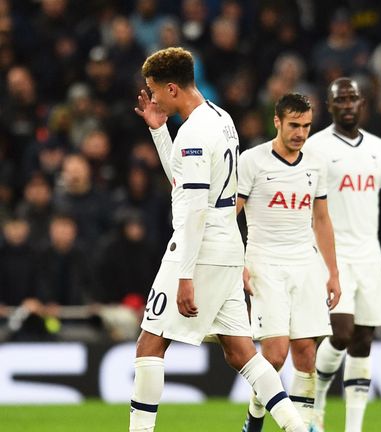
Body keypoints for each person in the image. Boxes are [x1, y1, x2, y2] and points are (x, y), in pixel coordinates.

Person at [130, 47, 305, 432]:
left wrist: (186, 275)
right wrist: (159, 131)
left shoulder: (193, 133)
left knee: (150, 345)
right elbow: (184, 178)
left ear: (172, 87)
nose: (153, 98)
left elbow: (192, 207)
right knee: (241, 353)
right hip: (227, 246)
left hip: (200, 247)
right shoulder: (220, 118)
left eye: (155, 90)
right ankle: (297, 426)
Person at [302, 77, 381, 432]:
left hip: (368, 253)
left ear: (362, 104)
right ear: (330, 105)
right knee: (340, 332)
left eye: (353, 99)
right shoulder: (316, 147)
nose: (348, 105)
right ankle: (318, 400)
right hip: (329, 255)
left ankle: (353, 427)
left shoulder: (380, 148)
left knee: (364, 339)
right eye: (341, 100)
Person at [236, 92, 341, 432]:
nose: (300, 133)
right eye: (294, 125)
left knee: (306, 353)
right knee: (275, 355)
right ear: (277, 121)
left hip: (305, 262)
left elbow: (322, 219)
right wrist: (238, 262)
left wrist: (333, 273)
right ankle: (254, 419)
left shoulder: (315, 163)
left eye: (307, 126)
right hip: (265, 262)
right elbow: (228, 216)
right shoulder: (252, 161)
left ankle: (306, 424)